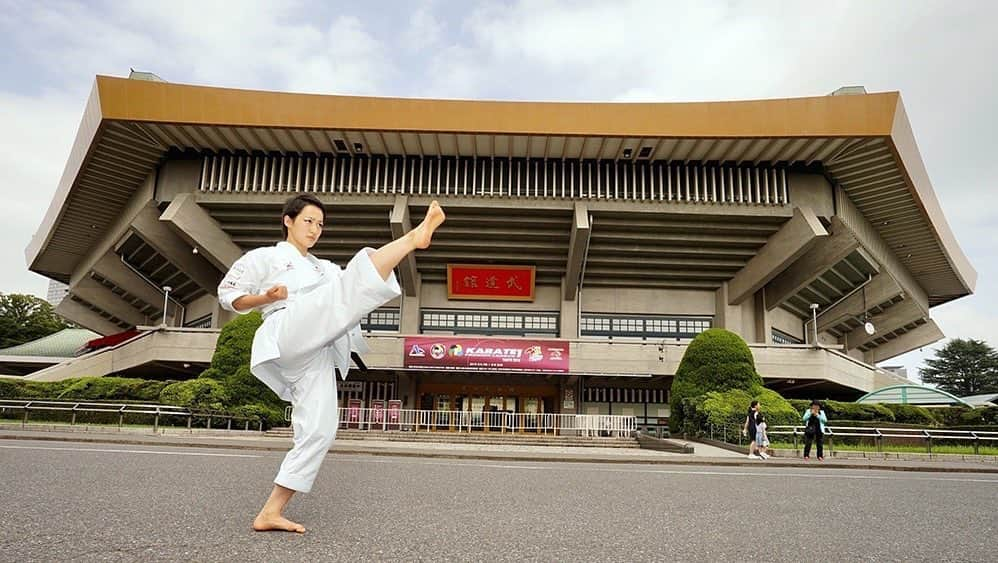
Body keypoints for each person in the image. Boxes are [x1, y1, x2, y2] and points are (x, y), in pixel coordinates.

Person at [218, 193, 446, 533]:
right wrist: (266, 297)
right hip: (287, 327)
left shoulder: (324, 268)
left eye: (320, 225)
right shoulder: (264, 258)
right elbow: (230, 296)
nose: (315, 230)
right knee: (338, 292)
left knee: (321, 430)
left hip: (318, 348)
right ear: (288, 221)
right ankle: (412, 239)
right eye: (308, 221)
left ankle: (270, 511)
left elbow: (352, 288)